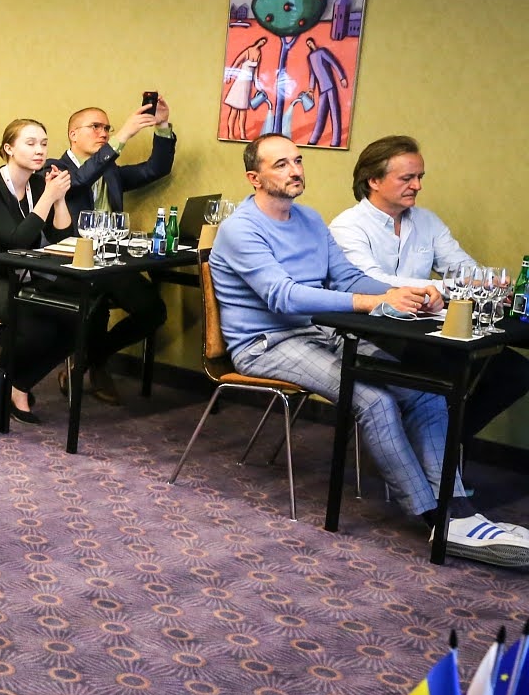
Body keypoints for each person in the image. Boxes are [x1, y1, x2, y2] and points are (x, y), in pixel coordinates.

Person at [212, 134, 528, 564]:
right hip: (266, 342)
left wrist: (399, 295)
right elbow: (282, 297)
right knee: (373, 400)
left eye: (298, 161)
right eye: (281, 164)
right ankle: (436, 518)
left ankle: (459, 509)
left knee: (425, 393)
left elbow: (347, 278)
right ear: (255, 177)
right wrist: (371, 301)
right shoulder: (240, 229)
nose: (295, 170)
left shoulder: (310, 220)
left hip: (318, 332)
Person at [331, 134, 529, 440]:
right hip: (373, 332)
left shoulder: (427, 221)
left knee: (516, 372)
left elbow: (463, 267)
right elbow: (371, 281)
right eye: (407, 178)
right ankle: (436, 448)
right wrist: (449, 286)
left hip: (423, 330)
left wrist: (489, 283)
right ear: (373, 181)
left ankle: (445, 445)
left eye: (420, 177)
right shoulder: (347, 226)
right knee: (461, 373)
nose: (417, 186)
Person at [49, 100, 178, 403]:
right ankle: (96, 367)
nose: (104, 133)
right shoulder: (55, 168)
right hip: (69, 264)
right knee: (96, 307)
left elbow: (156, 168)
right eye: (95, 127)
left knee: (153, 310)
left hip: (109, 262)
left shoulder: (111, 172)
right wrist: (124, 135)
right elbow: (80, 180)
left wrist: (161, 125)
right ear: (73, 134)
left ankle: (90, 360)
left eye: (107, 128)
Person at [0, 118, 75, 424]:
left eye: (44, 144)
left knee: (78, 314)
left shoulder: (38, 185)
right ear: (9, 148)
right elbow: (15, 240)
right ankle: (7, 384)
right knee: (33, 315)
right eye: (30, 143)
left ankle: (17, 383)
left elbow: (64, 238)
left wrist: (59, 199)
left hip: (16, 278)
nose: (40, 150)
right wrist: (48, 197)